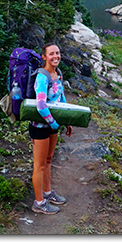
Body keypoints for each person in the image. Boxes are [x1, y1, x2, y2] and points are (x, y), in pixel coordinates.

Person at [29, 43, 72, 215]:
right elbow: (40, 104)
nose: (56, 56)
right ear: (44, 57)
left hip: (53, 124)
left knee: (48, 160)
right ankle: (38, 203)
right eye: (52, 54)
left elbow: (60, 97)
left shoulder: (58, 74)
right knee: (39, 165)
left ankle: (47, 192)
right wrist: (53, 122)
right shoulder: (42, 77)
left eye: (58, 53)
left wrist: (67, 119)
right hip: (40, 126)